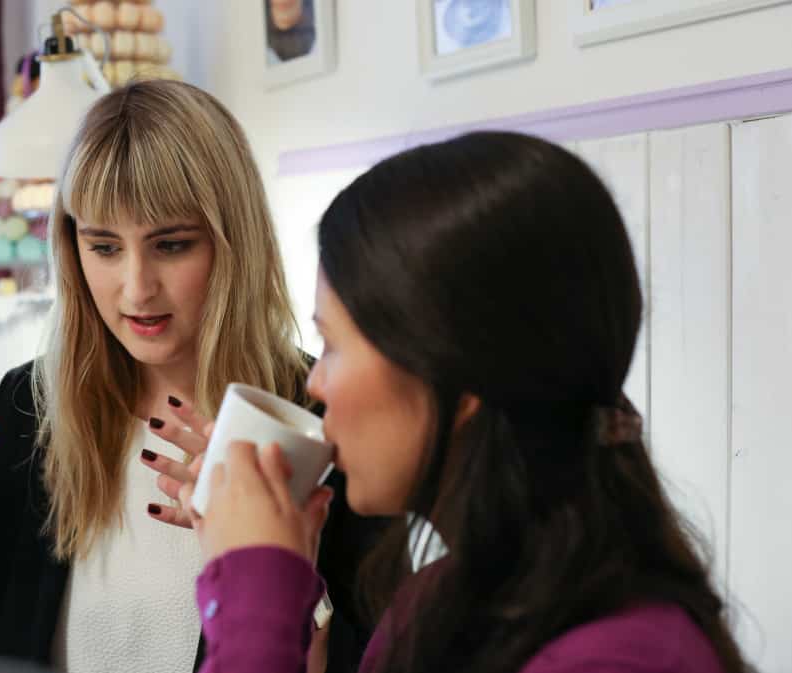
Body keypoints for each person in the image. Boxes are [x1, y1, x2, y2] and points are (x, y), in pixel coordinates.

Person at [0, 80, 382, 673]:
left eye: (171, 245)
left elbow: (371, 654)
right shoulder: (30, 407)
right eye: (104, 247)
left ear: (234, 242)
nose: (137, 288)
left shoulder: (318, 421)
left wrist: (280, 575)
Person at [185, 131, 751, 673]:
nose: (314, 384)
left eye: (331, 345)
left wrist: (255, 602)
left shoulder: (620, 658)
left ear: (455, 372)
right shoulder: (432, 605)